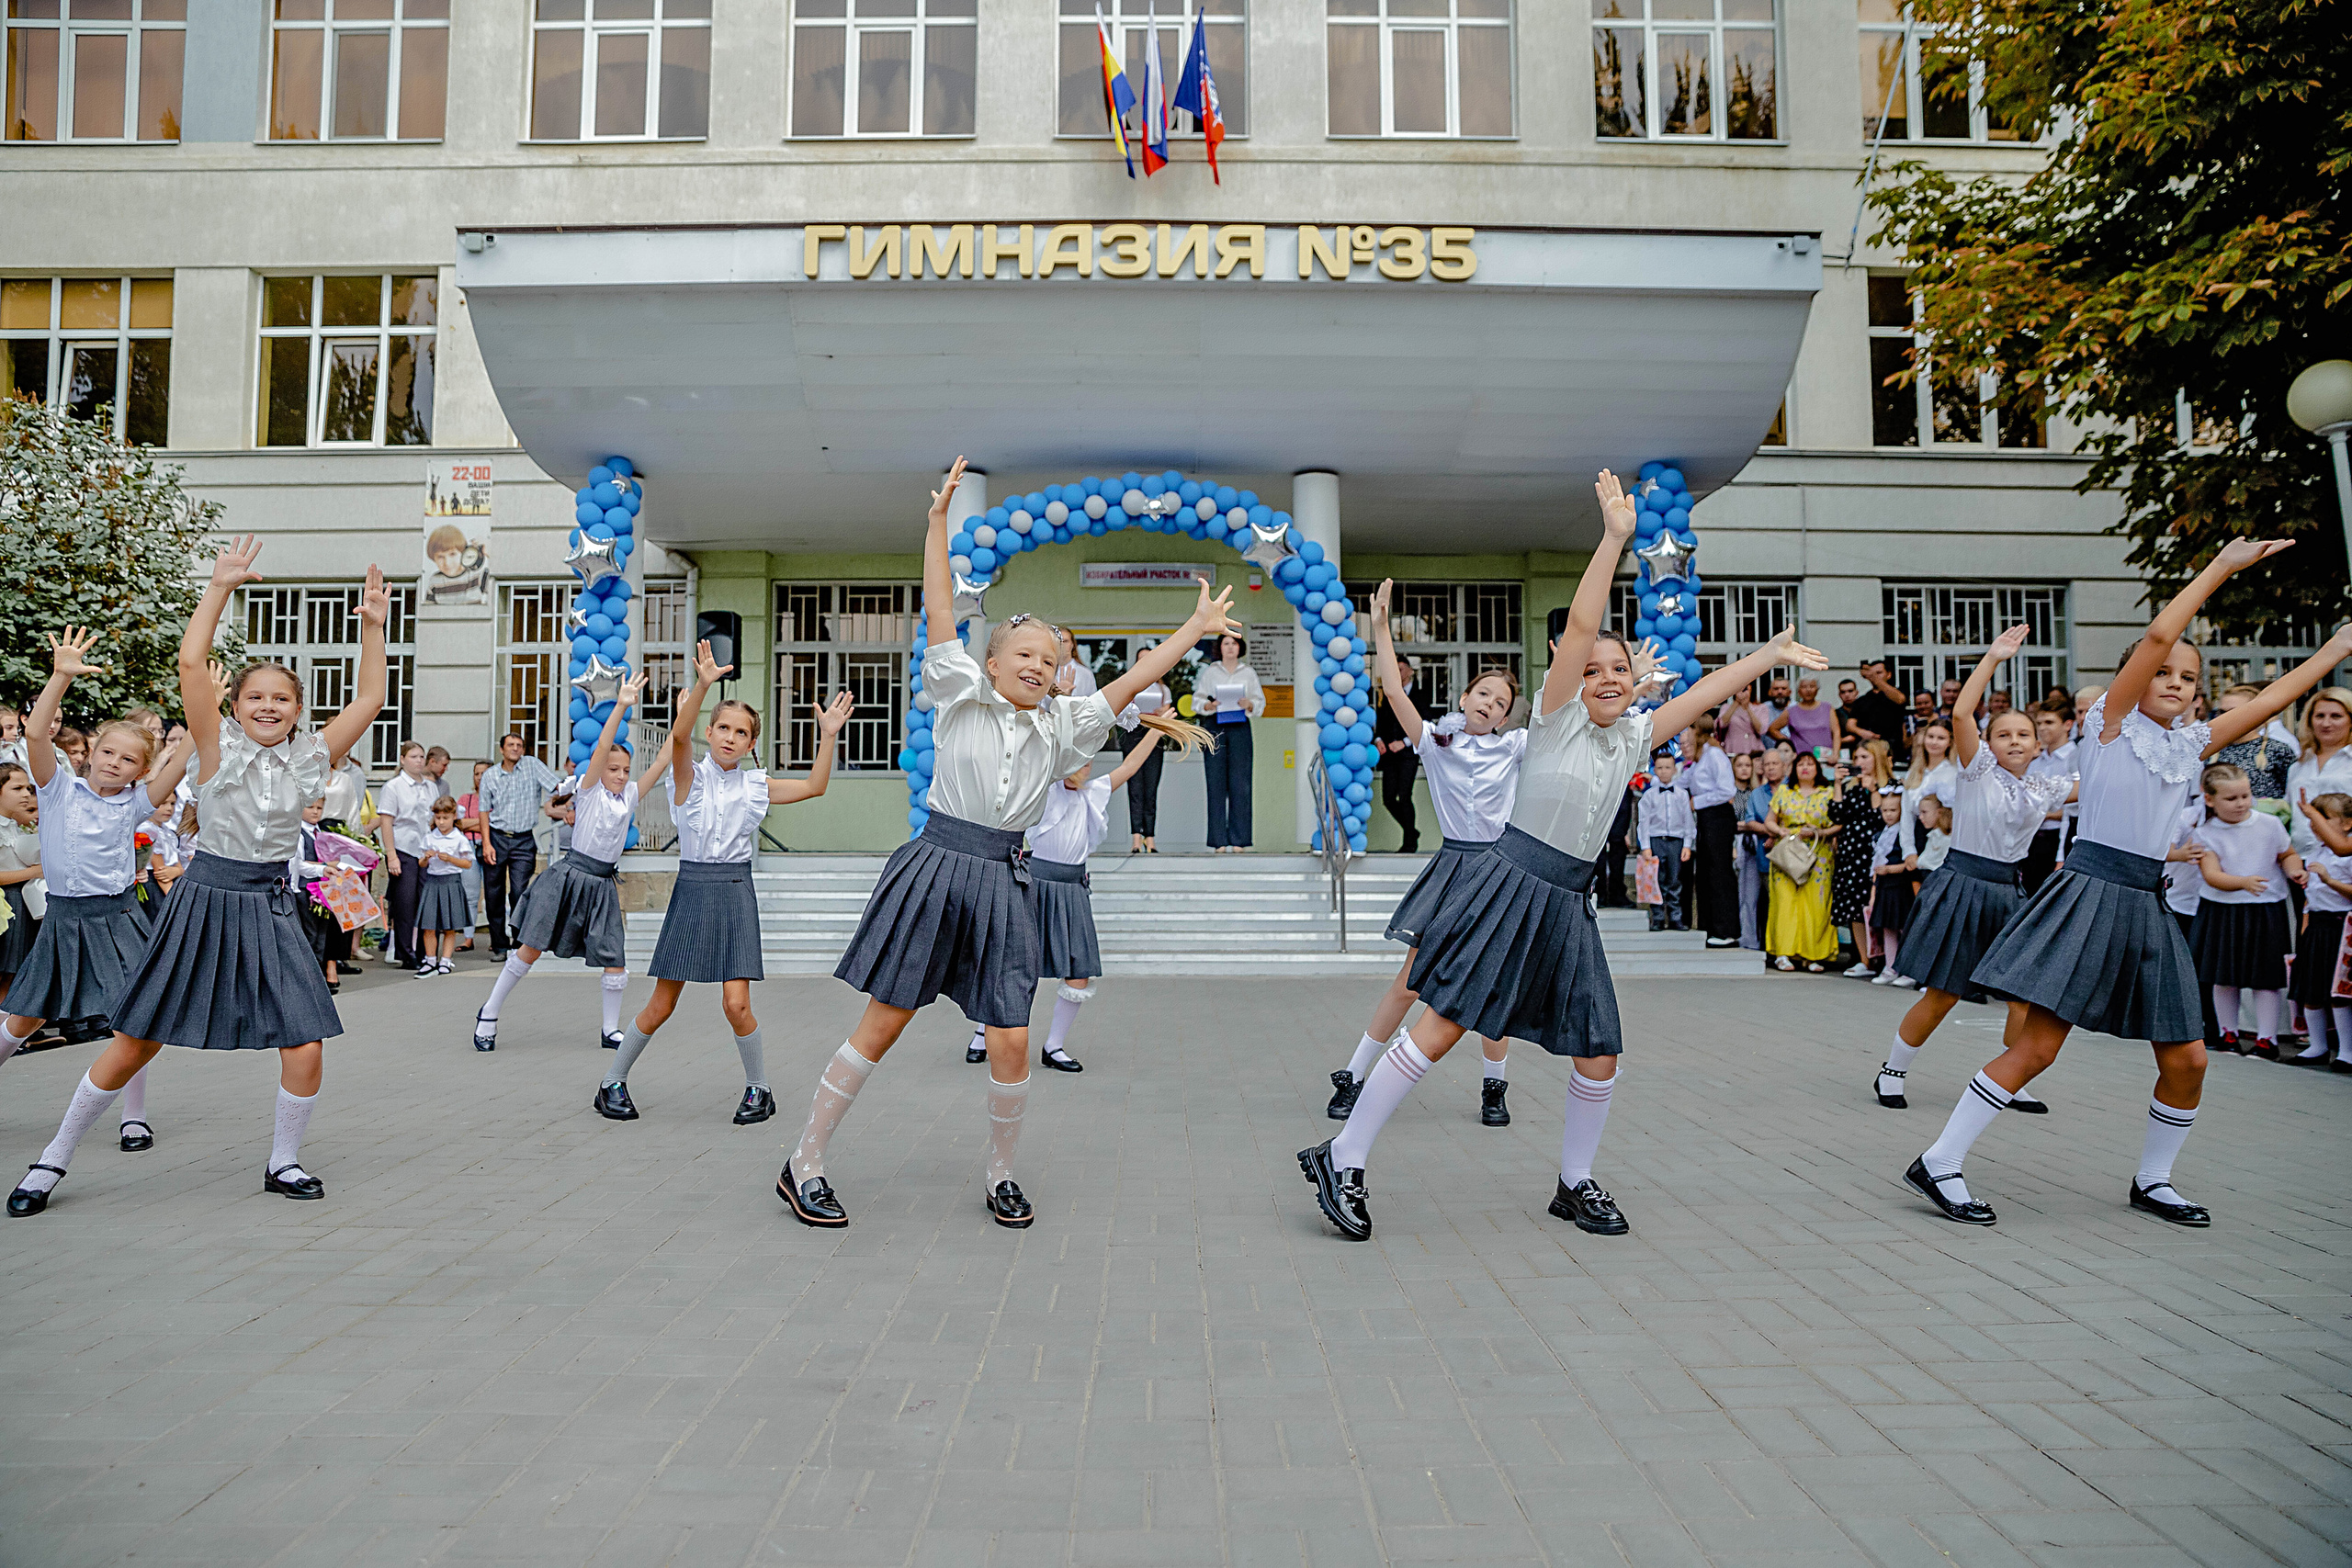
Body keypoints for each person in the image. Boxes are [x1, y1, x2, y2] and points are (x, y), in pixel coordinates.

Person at [1297, 468, 1826, 1243]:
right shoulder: (1551, 720)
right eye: (1594, 668)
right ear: (1573, 678)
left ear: (1634, 683)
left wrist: (1765, 654)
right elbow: (1582, 624)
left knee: (1600, 1049)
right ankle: (1342, 1154)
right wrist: (1613, 540)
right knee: (1442, 1025)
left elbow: (1705, 692)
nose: (1606, 677)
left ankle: (1574, 1182)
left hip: (1569, 902)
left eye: (1620, 669)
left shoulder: (1636, 736)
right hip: (1510, 882)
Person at [788, 458, 1233, 1233]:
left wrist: (1193, 632)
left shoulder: (1064, 725)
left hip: (1004, 876)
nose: (1037, 664)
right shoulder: (958, 694)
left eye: (1049, 660)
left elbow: (1129, 685)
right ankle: (804, 1162)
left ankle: (1000, 1175)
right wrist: (937, 525)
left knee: (1013, 1038)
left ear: (1060, 676)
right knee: (884, 1023)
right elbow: (938, 608)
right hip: (936, 864)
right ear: (991, 662)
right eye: (1022, 653)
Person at [1922, 538, 2352, 1229]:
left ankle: (2154, 1180)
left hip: (2148, 902)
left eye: (2189, 676)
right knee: (2037, 1049)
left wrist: (2337, 647)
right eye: (2164, 672)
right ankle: (1940, 1160)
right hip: (2090, 892)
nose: (2176, 681)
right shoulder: (2108, 725)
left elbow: (2278, 693)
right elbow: (2157, 636)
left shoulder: (2192, 743)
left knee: (2189, 1059)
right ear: (2136, 676)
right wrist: (2220, 568)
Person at [10, 540, 390, 1216]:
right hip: (205, 898)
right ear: (234, 705)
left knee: (305, 1039)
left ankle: (284, 1160)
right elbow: (191, 662)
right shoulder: (215, 748)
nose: (268, 706)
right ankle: (52, 1159)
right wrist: (219, 587)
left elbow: (371, 696)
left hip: (271, 903)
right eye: (255, 696)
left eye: (281, 698)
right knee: (137, 1040)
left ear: (298, 709)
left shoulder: (313, 755)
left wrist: (373, 628)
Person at [599, 649, 854, 1125]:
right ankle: (612, 1082)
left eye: (741, 732)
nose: (730, 738)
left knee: (736, 1004)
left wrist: (828, 736)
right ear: (710, 731)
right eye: (723, 728)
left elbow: (815, 786)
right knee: (662, 1003)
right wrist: (703, 685)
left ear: (751, 741)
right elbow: (679, 737)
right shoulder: (688, 777)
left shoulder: (756, 785)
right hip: (692, 890)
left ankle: (760, 1089)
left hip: (736, 890)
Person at [1328, 595, 1542, 1129]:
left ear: (1506, 715)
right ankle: (1352, 1075)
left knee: (1494, 986)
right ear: (1465, 697)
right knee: (1410, 980)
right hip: (1451, 869)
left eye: (1501, 701)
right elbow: (1394, 691)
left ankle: (1495, 1087)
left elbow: (1562, 723)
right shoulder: (1434, 740)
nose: (1490, 703)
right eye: (1483, 693)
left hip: (1499, 872)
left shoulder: (1515, 747)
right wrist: (1381, 628)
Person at [0, 629, 196, 1161]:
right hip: (65, 919)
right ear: (90, 755)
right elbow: (36, 733)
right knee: (24, 1019)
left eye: (128, 759)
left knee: (136, 1019)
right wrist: (60, 676)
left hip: (120, 918)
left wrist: (204, 701)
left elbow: (184, 756)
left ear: (142, 770)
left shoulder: (136, 802)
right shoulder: (57, 788)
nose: (113, 762)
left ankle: (134, 1117)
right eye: (107, 752)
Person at [1870, 626, 2071, 1112]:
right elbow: (1962, 713)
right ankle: (1892, 1071)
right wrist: (1994, 657)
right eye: (2004, 734)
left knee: (2022, 998)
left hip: (2010, 892)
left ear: (2038, 744)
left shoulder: (2044, 786)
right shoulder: (1977, 770)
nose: (2015, 741)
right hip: (1963, 885)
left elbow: (2108, 784)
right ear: (1989, 743)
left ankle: (2011, 1079)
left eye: (2024, 734)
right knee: (1944, 993)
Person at [472, 678, 656, 1055]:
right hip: (568, 878)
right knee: (529, 949)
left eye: (626, 770)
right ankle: (489, 1012)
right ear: (601, 770)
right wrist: (621, 705)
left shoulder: (630, 796)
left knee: (615, 959)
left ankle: (610, 1029)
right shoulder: (588, 790)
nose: (621, 775)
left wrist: (691, 703)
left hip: (602, 885)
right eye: (614, 769)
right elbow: (602, 746)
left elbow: (666, 758)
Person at [1005, 727, 1177, 1074]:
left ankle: (1053, 1046)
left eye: (1089, 762)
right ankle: (984, 1032)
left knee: (1079, 970)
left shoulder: (1093, 792)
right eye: (1078, 761)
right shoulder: (1046, 790)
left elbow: (1130, 766)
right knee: (1013, 966)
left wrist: (1155, 732)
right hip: (1036, 886)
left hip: (1073, 890)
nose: (1085, 767)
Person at [2188, 761, 2300, 1060]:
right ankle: (2229, 1034)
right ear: (2209, 799)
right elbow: (2212, 875)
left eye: (2245, 796)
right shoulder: (2205, 833)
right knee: (2224, 976)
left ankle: (2267, 1040)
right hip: (2222, 909)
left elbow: (2287, 853)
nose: (2240, 803)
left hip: (2265, 908)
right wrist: (2243, 882)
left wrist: (2295, 871)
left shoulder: (2269, 824)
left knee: (2266, 978)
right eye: (2231, 798)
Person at [479, 733, 562, 956]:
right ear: (502, 749)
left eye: (519, 745)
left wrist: (567, 796)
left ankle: (518, 943)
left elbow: (557, 787)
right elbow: (483, 811)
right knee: (493, 894)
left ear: (523, 750)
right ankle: (499, 945)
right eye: (511, 745)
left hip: (524, 840)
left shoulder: (532, 765)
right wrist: (486, 843)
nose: (515, 748)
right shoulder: (490, 775)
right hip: (497, 837)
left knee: (520, 892)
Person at [2291, 793, 2352, 1068]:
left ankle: (2346, 1051)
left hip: (2341, 927)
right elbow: (2311, 897)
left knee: (2339, 993)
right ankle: (2317, 1046)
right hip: (2316, 926)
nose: (2315, 825)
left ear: (2347, 823)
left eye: (2323, 818)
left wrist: (2329, 881)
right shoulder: (2315, 852)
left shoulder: (2347, 854)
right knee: (2311, 989)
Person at [1764, 750, 1838, 972]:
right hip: (1788, 852)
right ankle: (1783, 954)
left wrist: (1821, 832)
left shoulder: (1828, 793)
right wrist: (1781, 831)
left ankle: (1812, 955)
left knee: (1815, 904)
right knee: (1784, 902)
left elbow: (1840, 823)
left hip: (1818, 853)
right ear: (1794, 768)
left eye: (1810, 764)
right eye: (1800, 764)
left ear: (1818, 769)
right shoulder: (1784, 791)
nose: (1805, 768)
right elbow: (1769, 820)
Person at [1195, 631, 1264, 852]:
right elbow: (1197, 701)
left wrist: (1249, 704)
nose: (1230, 647)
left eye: (1234, 643)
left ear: (1240, 647)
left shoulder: (1248, 673)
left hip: (1240, 726)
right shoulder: (1211, 672)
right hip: (1216, 726)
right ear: (1220, 648)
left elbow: (1259, 703)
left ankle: (1239, 840)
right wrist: (1209, 705)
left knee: (1241, 784)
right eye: (1226, 643)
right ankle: (1218, 841)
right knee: (1215, 783)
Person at [1831, 741, 1894, 976]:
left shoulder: (1890, 786)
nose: (1859, 762)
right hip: (1850, 854)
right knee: (1854, 907)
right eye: (1856, 757)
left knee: (1876, 906)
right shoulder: (1852, 787)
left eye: (1865, 757)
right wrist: (1838, 784)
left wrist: (1874, 791)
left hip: (1875, 854)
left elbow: (1880, 819)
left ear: (1877, 758)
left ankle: (1886, 960)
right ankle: (1864, 960)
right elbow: (1836, 815)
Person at [375, 741, 440, 969]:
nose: (419, 761)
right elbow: (386, 821)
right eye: (414, 756)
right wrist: (391, 855)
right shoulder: (394, 786)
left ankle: (426, 952)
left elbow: (434, 818)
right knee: (405, 902)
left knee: (426, 900)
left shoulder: (430, 787)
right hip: (403, 848)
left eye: (422, 756)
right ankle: (405, 952)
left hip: (426, 849)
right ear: (403, 759)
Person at [1684, 715, 1738, 947]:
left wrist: (1698, 802)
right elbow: (1683, 781)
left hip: (1718, 817)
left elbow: (1727, 790)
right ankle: (1709, 927)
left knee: (1719, 872)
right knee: (1705, 873)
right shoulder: (1700, 757)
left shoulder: (1715, 755)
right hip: (1706, 819)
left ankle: (1726, 930)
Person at [412, 797, 475, 976]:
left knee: (449, 926)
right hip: (433, 882)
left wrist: (451, 859)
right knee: (428, 925)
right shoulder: (430, 837)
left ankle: (446, 960)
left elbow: (467, 863)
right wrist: (426, 858)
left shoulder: (459, 838)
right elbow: (421, 863)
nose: (441, 822)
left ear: (454, 817)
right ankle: (430, 960)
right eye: (438, 818)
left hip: (451, 882)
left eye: (445, 818)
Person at [1636, 751, 1693, 932]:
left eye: (1667, 767)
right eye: (1659, 768)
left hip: (1676, 841)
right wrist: (1645, 846)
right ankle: (1658, 918)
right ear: (1655, 770)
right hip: (1656, 840)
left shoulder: (1682, 794)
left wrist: (1687, 844)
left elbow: (1688, 821)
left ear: (1674, 770)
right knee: (1656, 880)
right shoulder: (1649, 795)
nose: (1663, 771)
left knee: (1674, 880)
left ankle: (1676, 917)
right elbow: (1643, 823)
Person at [2022, 705, 2076, 894]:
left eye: (2049, 722)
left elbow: (2077, 808)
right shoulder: (2034, 762)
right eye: (2039, 723)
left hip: (2061, 837)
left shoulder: (2076, 758)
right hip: (2033, 839)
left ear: (2067, 725)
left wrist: (2045, 813)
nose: (2042, 728)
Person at [1739, 746, 1787, 953]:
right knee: (1767, 903)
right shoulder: (1757, 793)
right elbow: (1750, 821)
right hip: (1764, 855)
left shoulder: (1792, 789)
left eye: (1775, 763)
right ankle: (1769, 949)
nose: (1770, 768)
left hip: (1791, 855)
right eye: (1767, 764)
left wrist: (1775, 835)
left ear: (1784, 766)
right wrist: (1771, 832)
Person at [1118, 671, 1172, 853]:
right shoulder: (1129, 688)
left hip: (1154, 733)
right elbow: (1120, 715)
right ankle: (1136, 838)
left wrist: (1161, 713)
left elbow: (1167, 713)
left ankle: (1150, 837)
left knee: (1151, 788)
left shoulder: (1163, 689)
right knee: (1135, 788)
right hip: (1133, 734)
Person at [0, 762, 40, 1015]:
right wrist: (34, 872)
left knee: (14, 971)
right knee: (3, 970)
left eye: (28, 788)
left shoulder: (18, 825)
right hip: (5, 902)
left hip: (24, 901)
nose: (26, 794)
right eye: (17, 788)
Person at [1868, 788, 1917, 987]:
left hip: (1900, 886)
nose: (1888, 814)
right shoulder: (1881, 834)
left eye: (1893, 810)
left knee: (1904, 927)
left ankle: (1909, 969)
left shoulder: (1905, 834)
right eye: (1885, 810)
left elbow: (1909, 863)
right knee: (1888, 927)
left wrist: (1889, 869)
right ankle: (1890, 967)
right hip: (1884, 886)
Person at [1729, 752, 1763, 950]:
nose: (1744, 769)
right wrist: (1746, 824)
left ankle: (1750, 938)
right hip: (1732, 842)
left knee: (1751, 895)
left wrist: (1747, 825)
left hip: (1752, 843)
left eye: (1748, 765)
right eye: (1740, 765)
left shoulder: (1756, 793)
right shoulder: (1728, 793)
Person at [1849, 660, 1913, 760]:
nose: (1875, 676)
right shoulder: (1862, 700)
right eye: (1872, 673)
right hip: (1868, 749)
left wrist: (1875, 678)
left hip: (1892, 750)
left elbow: (1900, 699)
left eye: (1879, 673)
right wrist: (1862, 732)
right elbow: (1850, 725)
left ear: (1889, 674)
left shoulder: (1897, 694)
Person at [1774, 677, 1838, 759]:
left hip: (1825, 758)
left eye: (1812, 686)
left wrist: (1835, 754)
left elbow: (1836, 732)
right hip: (1800, 758)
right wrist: (1789, 743)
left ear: (1817, 689)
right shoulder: (1791, 711)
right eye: (1804, 687)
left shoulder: (1827, 708)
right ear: (1798, 691)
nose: (1808, 690)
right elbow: (1772, 729)